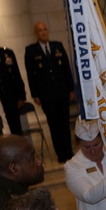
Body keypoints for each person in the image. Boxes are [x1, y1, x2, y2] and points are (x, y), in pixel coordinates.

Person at [24, 21, 74, 163]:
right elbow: (31, 75)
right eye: (40, 30)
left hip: (62, 92)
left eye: (45, 29)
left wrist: (71, 89)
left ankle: (69, 152)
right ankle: (61, 154)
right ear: (36, 33)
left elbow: (66, 69)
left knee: (64, 123)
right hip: (46, 95)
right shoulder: (31, 51)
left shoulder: (57, 46)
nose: (43, 32)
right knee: (54, 124)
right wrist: (35, 94)